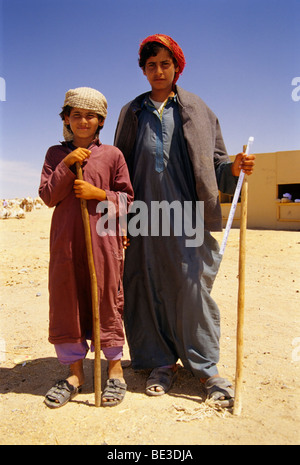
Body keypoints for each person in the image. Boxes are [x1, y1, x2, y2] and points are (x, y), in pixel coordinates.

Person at [114, 34, 255, 407]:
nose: (158, 71)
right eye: (150, 65)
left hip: (187, 216)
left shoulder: (198, 108)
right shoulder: (131, 112)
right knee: (145, 288)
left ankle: (206, 368)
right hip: (142, 216)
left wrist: (235, 168)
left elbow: (219, 163)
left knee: (193, 290)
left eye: (165, 63)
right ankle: (159, 362)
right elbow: (118, 168)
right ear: (143, 70)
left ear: (176, 66)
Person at [39, 87, 134, 408]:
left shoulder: (113, 155)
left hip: (104, 242)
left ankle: (115, 371)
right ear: (66, 118)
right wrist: (67, 164)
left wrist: (99, 194)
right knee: (68, 300)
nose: (82, 121)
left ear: (101, 121)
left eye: (90, 116)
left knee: (106, 296)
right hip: (66, 244)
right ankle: (76, 374)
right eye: (75, 115)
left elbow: (129, 200)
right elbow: (48, 196)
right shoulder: (55, 154)